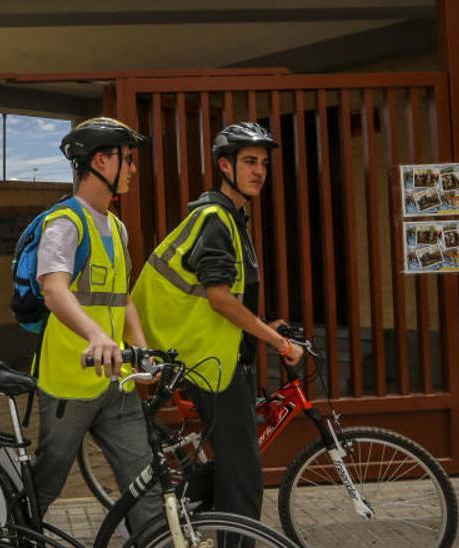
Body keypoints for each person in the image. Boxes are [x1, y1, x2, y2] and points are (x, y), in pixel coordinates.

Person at [130, 121, 305, 530]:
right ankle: (193, 531)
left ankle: (186, 527)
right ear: (225, 166)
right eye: (249, 162)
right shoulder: (216, 217)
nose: (259, 170)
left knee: (231, 468)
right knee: (243, 479)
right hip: (210, 364)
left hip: (219, 359)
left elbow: (229, 295)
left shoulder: (231, 218)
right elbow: (220, 298)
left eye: (263, 163)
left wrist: (264, 324)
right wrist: (279, 341)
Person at [30, 117, 159, 534]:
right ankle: (7, 532)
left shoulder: (116, 227)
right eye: (129, 159)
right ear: (102, 161)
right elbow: (54, 290)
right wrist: (97, 335)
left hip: (116, 379)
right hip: (71, 378)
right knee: (46, 483)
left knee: (145, 484)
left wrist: (142, 349)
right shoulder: (65, 222)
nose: (134, 169)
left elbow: (122, 299)